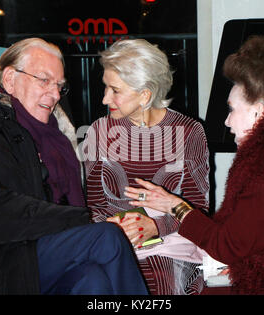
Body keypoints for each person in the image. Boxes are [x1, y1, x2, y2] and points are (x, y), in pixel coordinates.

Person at [123, 35, 264, 294]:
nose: (227, 121)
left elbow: (229, 245)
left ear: (260, 110)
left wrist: (174, 206)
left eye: (232, 109)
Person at [0, 38, 148, 295]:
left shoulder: (54, 133)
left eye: (60, 85)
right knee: (107, 239)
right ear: (10, 79)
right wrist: (80, 219)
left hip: (30, 250)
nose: (56, 94)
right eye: (44, 80)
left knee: (91, 279)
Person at [81, 39, 210, 295]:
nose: (105, 98)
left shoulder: (189, 132)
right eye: (105, 87)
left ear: (145, 95)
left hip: (170, 244)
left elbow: (199, 207)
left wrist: (155, 226)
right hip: (113, 240)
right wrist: (113, 228)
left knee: (160, 282)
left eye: (115, 90)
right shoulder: (98, 131)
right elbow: (92, 204)